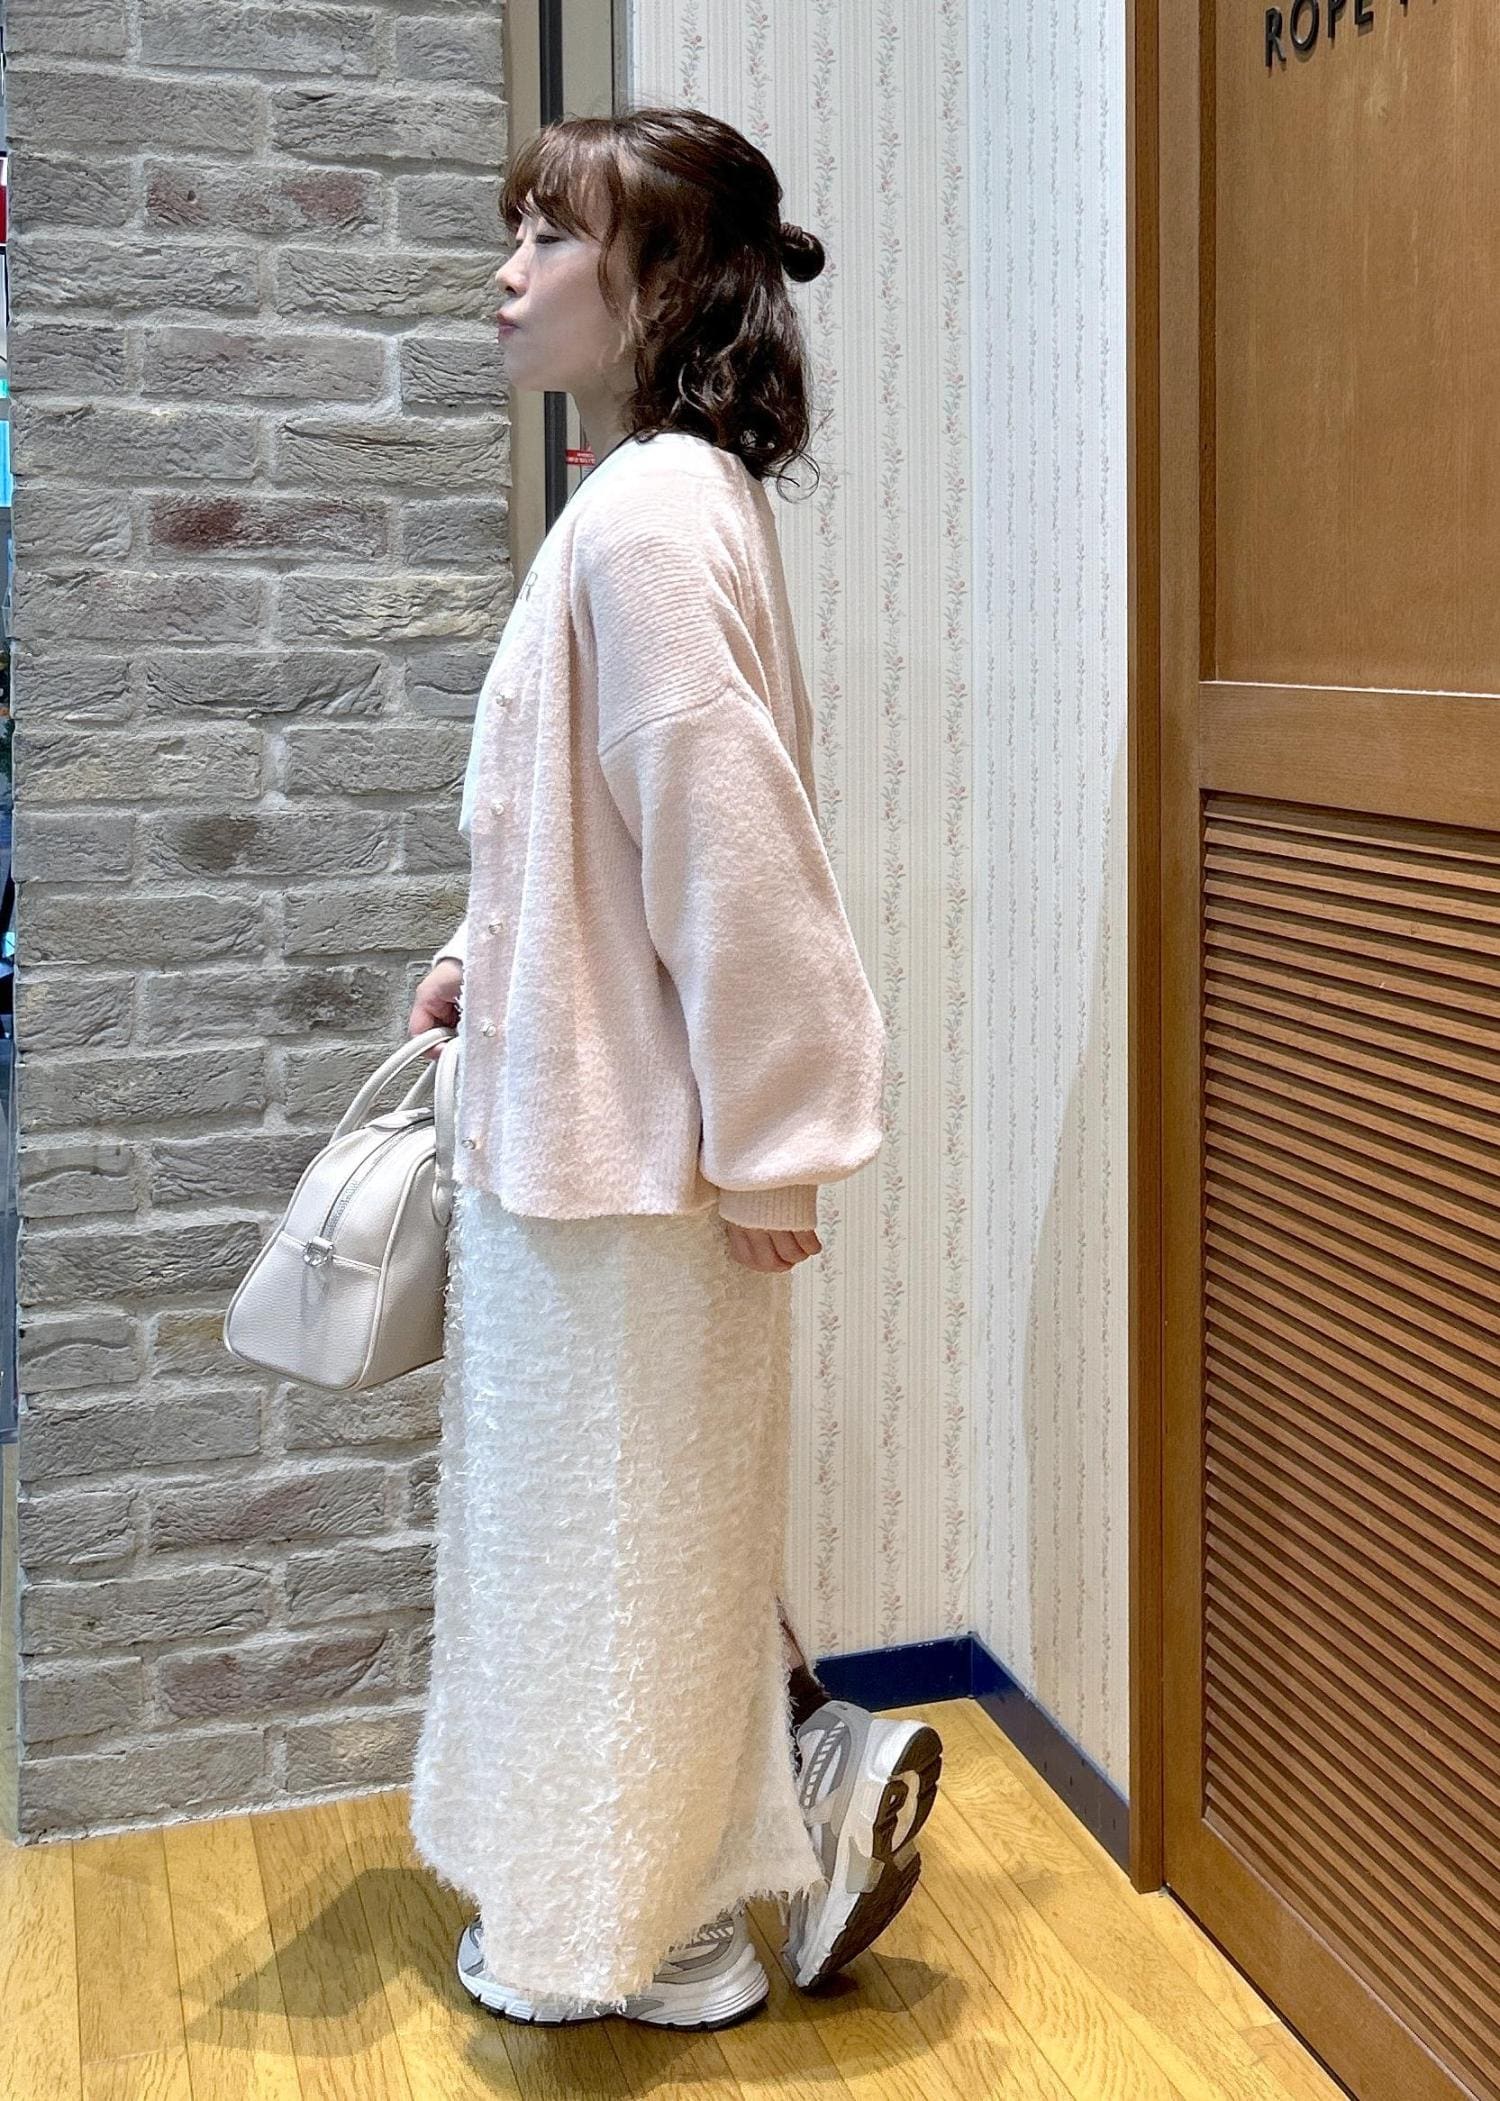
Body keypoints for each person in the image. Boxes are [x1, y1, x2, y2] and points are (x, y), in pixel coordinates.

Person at [405, 104, 942, 2033]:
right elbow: (604, 825)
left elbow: (737, 855)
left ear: (664, 281)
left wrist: (778, 1146)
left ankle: (628, 1933)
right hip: (606, 1148)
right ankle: (686, 1904)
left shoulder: (643, 515)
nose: (510, 272)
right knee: (636, 1547)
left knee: (605, 1556)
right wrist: (479, 955)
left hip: (625, 1175)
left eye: (552, 236)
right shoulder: (654, 497)